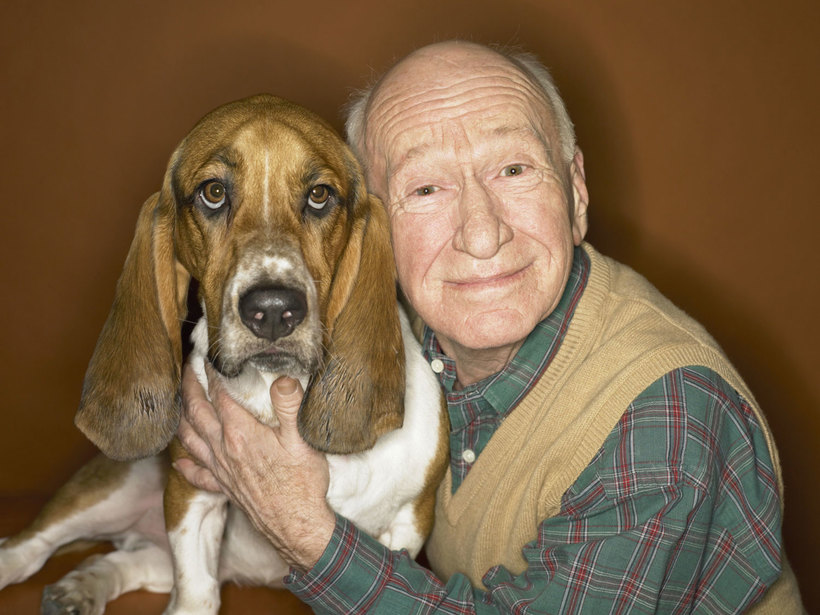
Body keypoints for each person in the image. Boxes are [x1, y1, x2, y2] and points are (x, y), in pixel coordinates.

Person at [175, 40, 803, 613]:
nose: (482, 233)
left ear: (576, 191)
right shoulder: (404, 325)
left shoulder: (668, 419)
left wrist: (303, 529)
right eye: (425, 188)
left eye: (514, 170)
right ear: (370, 231)